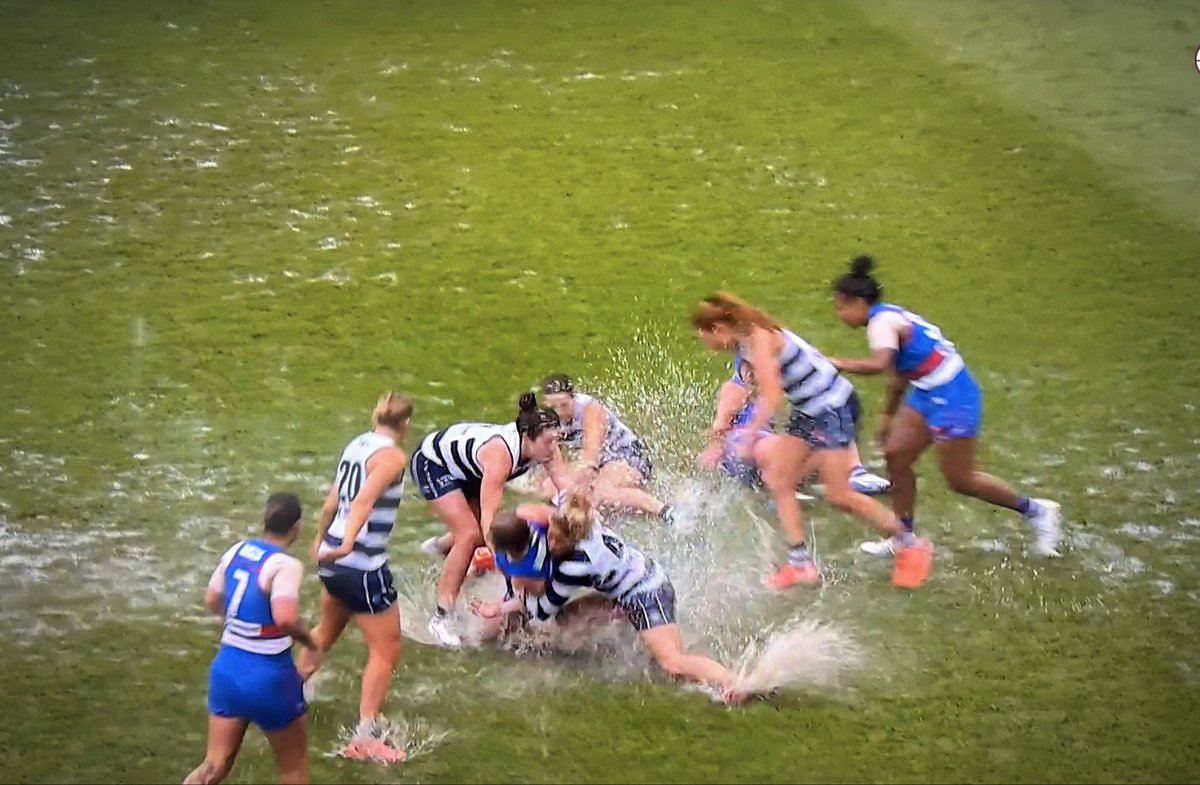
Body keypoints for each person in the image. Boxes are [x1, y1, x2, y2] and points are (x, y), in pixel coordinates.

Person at [692, 292, 932, 589]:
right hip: (811, 410)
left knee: (839, 495)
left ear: (718, 329)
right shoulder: (746, 341)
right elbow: (752, 386)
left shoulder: (759, 338)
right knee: (779, 480)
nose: (710, 347)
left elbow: (774, 396)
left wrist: (749, 436)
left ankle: (910, 544)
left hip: (833, 408)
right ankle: (801, 565)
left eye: (706, 338)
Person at [828, 255, 1062, 557]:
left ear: (859, 303)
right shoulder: (888, 317)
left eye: (840, 307)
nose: (839, 314)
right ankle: (904, 536)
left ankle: (1037, 512)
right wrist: (888, 414)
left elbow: (880, 364)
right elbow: (901, 372)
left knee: (961, 480)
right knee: (896, 457)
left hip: (953, 397)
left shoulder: (881, 324)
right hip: (928, 393)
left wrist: (837, 363)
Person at [487, 491, 744, 701]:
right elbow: (550, 507)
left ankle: (731, 682)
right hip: (634, 580)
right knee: (568, 618)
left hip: (645, 593)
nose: (549, 544)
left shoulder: (576, 564)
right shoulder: (580, 519)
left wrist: (507, 604)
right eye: (548, 534)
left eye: (554, 540)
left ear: (570, 539)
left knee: (671, 663)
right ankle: (623, 621)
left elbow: (543, 610)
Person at [411, 391, 570, 647]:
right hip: (433, 462)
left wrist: (584, 521)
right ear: (529, 438)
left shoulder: (545, 447)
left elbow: (568, 492)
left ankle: (441, 548)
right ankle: (441, 617)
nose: (554, 448)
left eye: (556, 440)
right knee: (470, 535)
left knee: (471, 534)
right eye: (549, 442)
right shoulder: (500, 457)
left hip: (469, 467)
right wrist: (512, 568)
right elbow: (490, 524)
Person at [185, 493, 320, 785]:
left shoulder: (236, 551)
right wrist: (310, 641)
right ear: (296, 528)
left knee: (214, 764)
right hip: (270, 677)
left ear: (265, 520)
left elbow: (212, 599)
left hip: (227, 670)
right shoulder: (285, 565)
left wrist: (242, 625)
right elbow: (284, 617)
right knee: (293, 769)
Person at [306, 392, 411, 763]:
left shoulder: (357, 446)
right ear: (406, 424)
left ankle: (283, 690)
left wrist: (322, 539)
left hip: (331, 560)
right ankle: (365, 736)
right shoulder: (393, 456)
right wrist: (348, 542)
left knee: (325, 632)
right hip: (360, 563)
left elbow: (333, 500)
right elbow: (364, 501)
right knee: (386, 649)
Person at [700, 358, 890, 496]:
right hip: (744, 451)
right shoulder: (735, 389)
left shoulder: (765, 390)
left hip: (754, 454)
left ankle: (846, 472)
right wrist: (714, 448)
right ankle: (790, 489)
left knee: (819, 424)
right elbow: (721, 425)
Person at [538, 373, 678, 523]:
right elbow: (554, 462)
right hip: (602, 461)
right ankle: (595, 525)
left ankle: (664, 511)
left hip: (626, 456)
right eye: (553, 407)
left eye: (564, 405)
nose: (559, 412)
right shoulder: (546, 419)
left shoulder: (590, 408)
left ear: (574, 398)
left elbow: (590, 459)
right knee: (549, 488)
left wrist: (581, 485)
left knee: (601, 493)